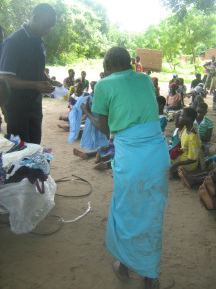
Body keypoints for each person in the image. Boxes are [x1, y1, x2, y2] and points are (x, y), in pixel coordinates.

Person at [81, 47, 170, 289]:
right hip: (157, 153)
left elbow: (104, 127)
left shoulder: (105, 84)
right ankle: (150, 275)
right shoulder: (144, 79)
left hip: (132, 156)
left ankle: (124, 266)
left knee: (126, 209)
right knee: (152, 210)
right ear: (130, 63)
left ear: (108, 66)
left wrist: (87, 112)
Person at [0, 3, 62, 144]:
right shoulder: (14, 42)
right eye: (46, 25)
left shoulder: (38, 40)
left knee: (34, 144)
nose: (48, 30)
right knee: (20, 147)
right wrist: (35, 85)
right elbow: (5, 77)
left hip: (34, 103)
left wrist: (49, 81)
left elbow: (37, 68)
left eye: (51, 26)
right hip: (17, 105)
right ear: (35, 17)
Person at [170, 107, 202, 174]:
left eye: (182, 116)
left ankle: (180, 172)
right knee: (165, 157)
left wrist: (177, 164)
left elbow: (193, 159)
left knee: (166, 165)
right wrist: (170, 151)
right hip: (183, 155)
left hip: (189, 163)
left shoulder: (193, 136)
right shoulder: (185, 128)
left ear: (189, 118)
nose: (179, 118)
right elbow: (180, 142)